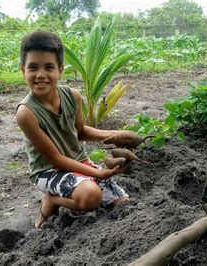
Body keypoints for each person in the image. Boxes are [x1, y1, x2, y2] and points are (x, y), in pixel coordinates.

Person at [15, 31, 135, 229]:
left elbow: (80, 132)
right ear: (22, 70)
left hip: (79, 163)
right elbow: (55, 159)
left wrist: (114, 135)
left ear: (60, 70)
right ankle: (51, 200)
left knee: (122, 204)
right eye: (33, 67)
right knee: (91, 196)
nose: (41, 75)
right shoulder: (26, 113)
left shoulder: (72, 96)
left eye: (49, 67)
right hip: (48, 171)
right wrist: (99, 174)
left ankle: (80, 186)